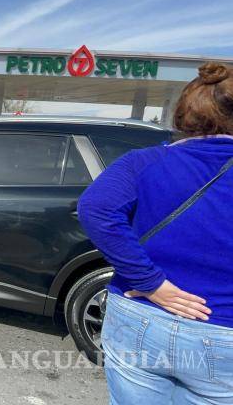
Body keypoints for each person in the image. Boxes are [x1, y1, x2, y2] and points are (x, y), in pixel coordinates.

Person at [78, 62, 233, 403]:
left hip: (140, 317)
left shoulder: (145, 161)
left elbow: (95, 208)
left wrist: (151, 284)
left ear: (183, 113)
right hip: (223, 328)